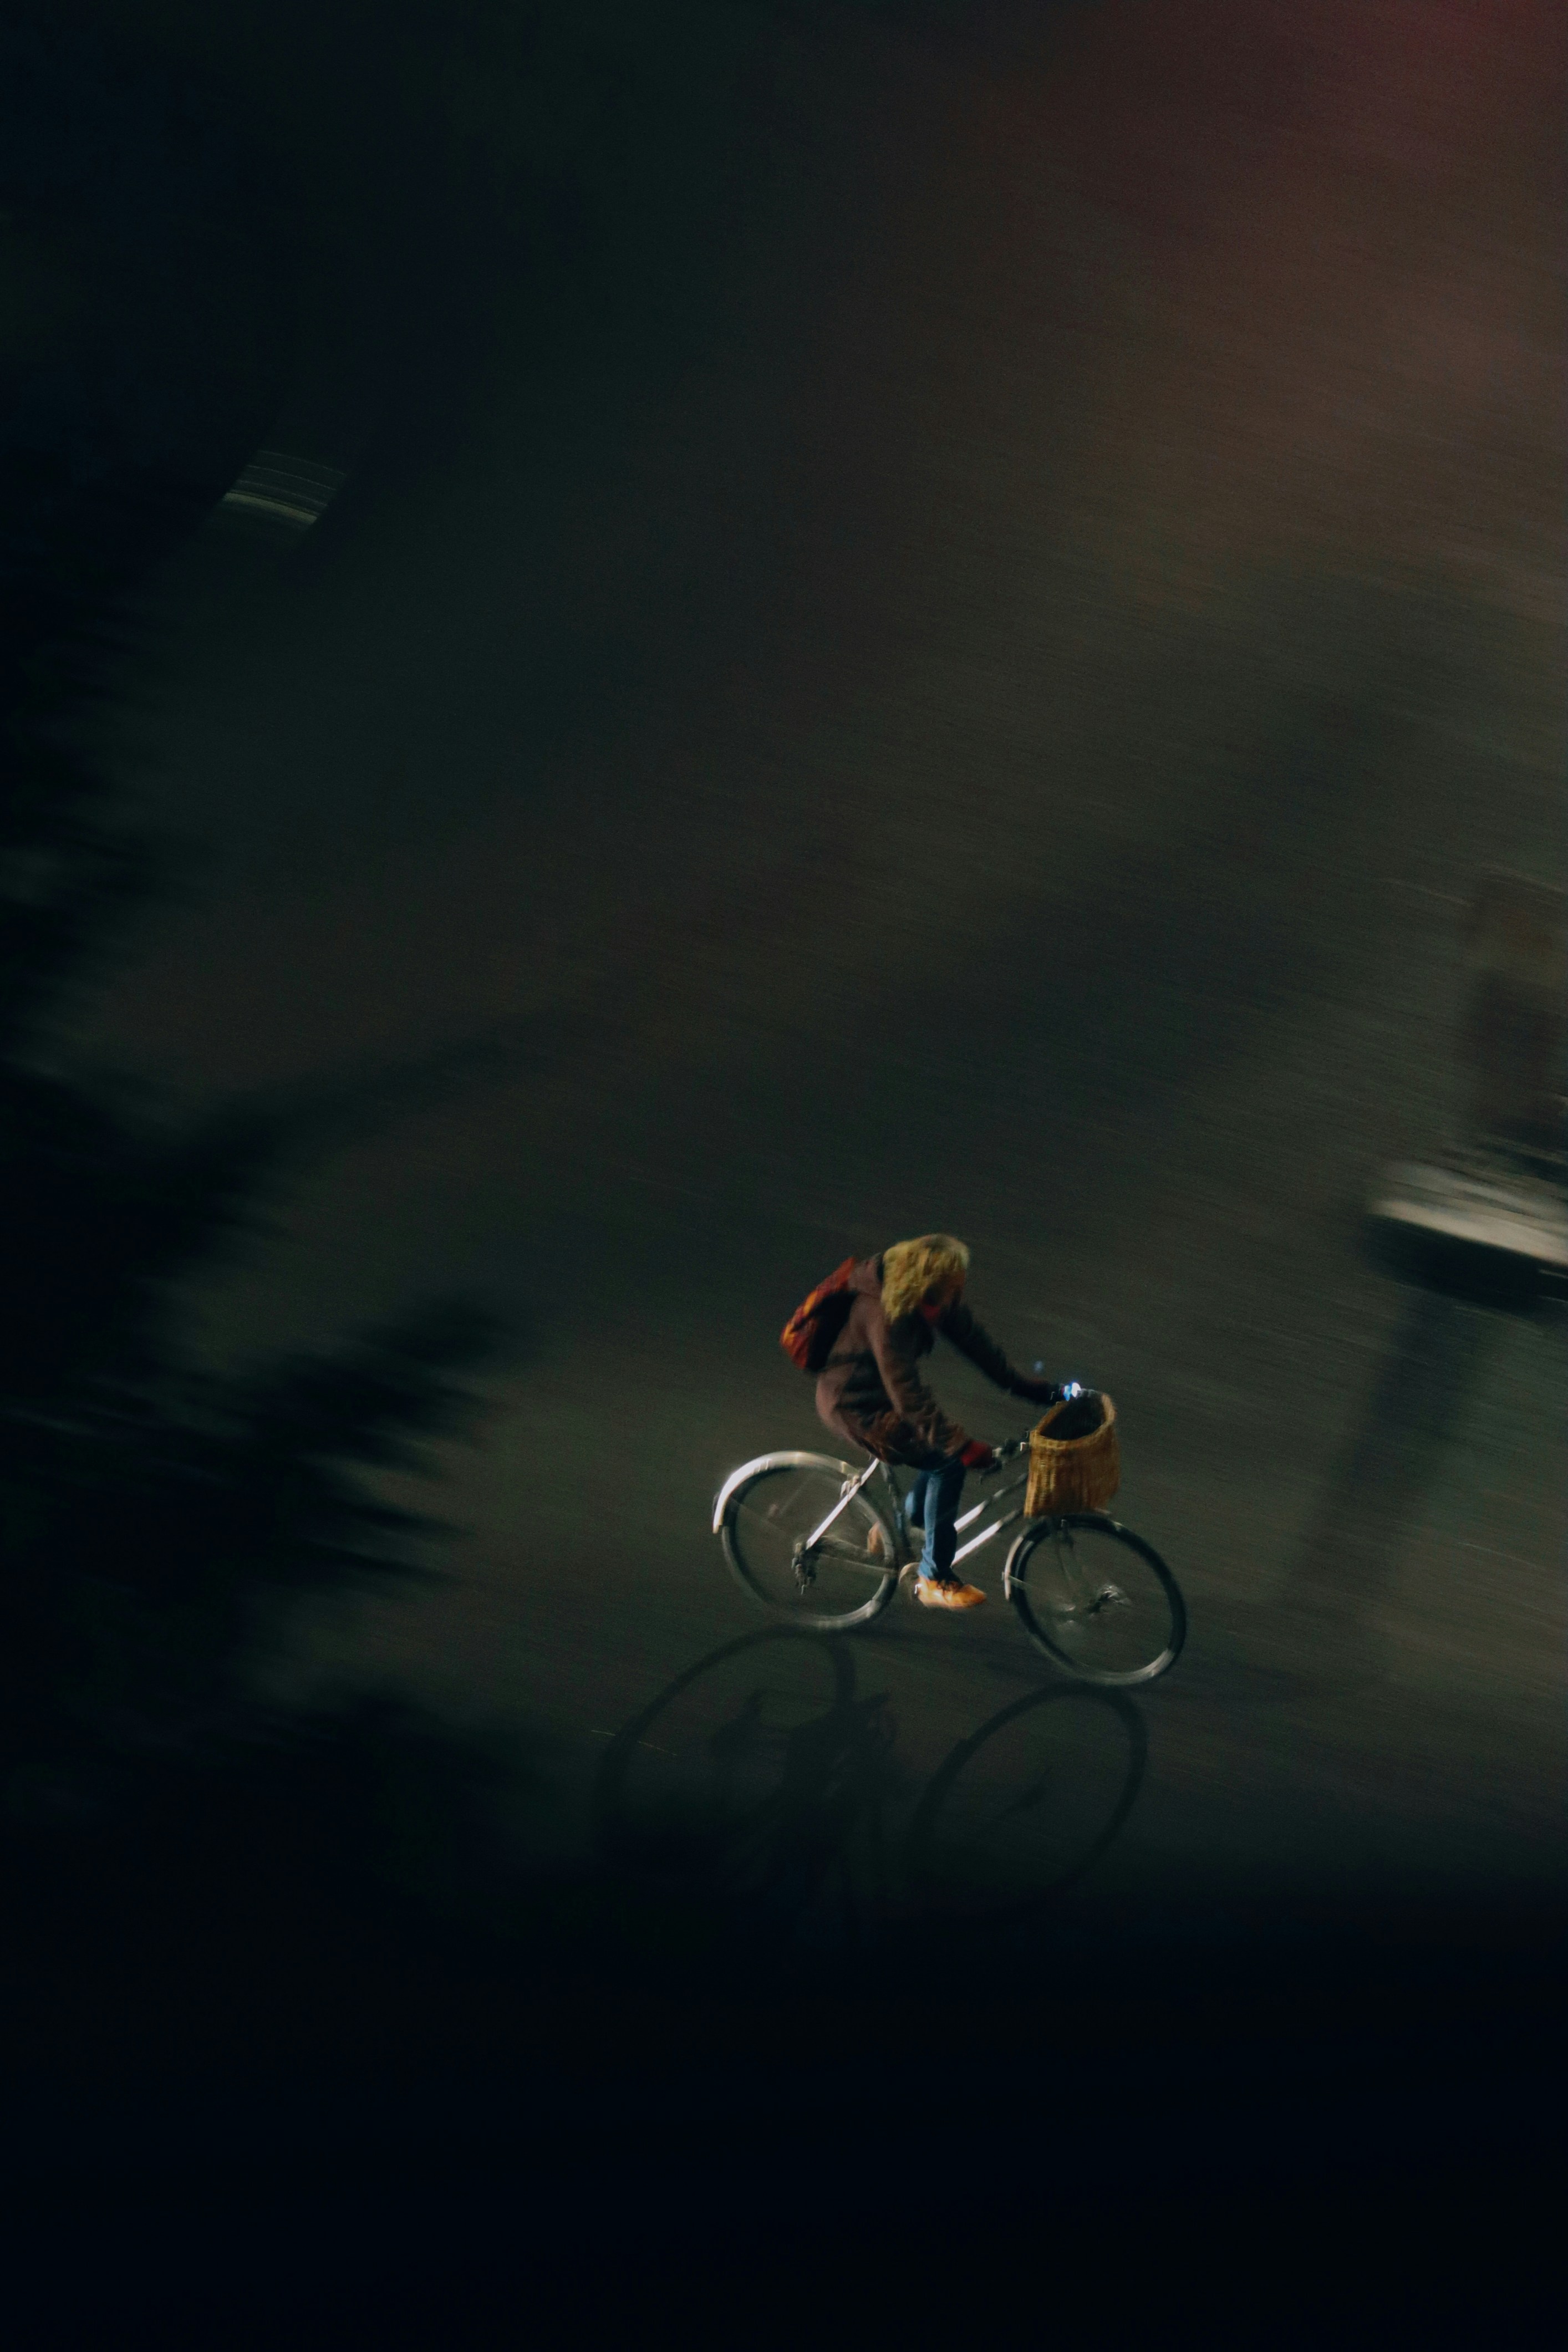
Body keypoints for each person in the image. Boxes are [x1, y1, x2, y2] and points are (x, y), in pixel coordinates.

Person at [814, 1233, 1062, 1611]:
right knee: (948, 1463)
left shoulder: (934, 1299)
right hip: (856, 1408)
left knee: (939, 1447)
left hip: (884, 1398)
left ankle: (896, 1531)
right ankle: (934, 1577)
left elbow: (979, 1348)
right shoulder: (885, 1314)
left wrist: (1034, 1390)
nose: (957, 1294)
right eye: (952, 1287)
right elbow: (908, 1396)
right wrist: (961, 1447)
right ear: (925, 1283)